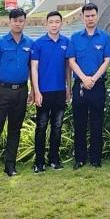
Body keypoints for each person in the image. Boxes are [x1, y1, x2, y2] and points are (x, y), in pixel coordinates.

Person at [0, 8, 34, 182]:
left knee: (15, 129)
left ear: (24, 22)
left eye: (21, 20)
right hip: (1, 91)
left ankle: (10, 166)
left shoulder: (29, 43)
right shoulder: (0, 43)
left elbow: (31, 68)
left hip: (21, 91)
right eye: (15, 20)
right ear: (9, 22)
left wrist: (33, 90)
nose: (18, 23)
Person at [67, 3, 110, 168]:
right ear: (82, 17)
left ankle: (95, 159)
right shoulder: (75, 37)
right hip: (80, 85)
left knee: (96, 122)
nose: (90, 18)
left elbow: (107, 61)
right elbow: (71, 61)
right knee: (79, 123)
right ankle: (79, 158)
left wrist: (93, 78)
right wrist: (84, 78)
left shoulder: (105, 37)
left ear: (97, 16)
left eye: (93, 15)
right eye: (87, 16)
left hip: (97, 85)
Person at [32, 10, 71, 173]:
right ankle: (39, 162)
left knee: (57, 127)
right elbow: (33, 68)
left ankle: (54, 159)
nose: (54, 25)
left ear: (61, 24)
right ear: (46, 24)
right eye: (51, 22)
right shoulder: (38, 43)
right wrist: (36, 91)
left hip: (60, 92)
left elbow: (68, 68)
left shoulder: (66, 42)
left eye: (57, 22)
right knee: (41, 127)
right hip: (43, 92)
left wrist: (68, 87)